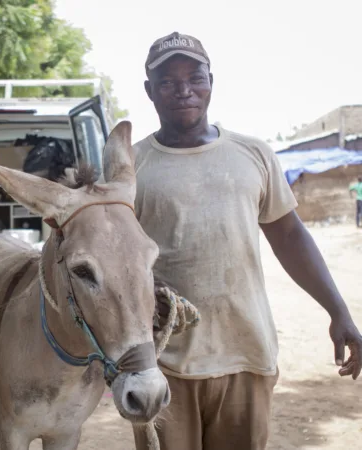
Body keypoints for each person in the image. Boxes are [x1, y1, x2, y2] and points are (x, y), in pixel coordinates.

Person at [133, 31, 362, 450]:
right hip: (162, 362)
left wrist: (339, 311)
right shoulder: (131, 165)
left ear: (211, 82)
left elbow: (290, 235)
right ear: (149, 91)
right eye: (167, 81)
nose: (184, 91)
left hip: (246, 353)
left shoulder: (252, 154)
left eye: (194, 77)